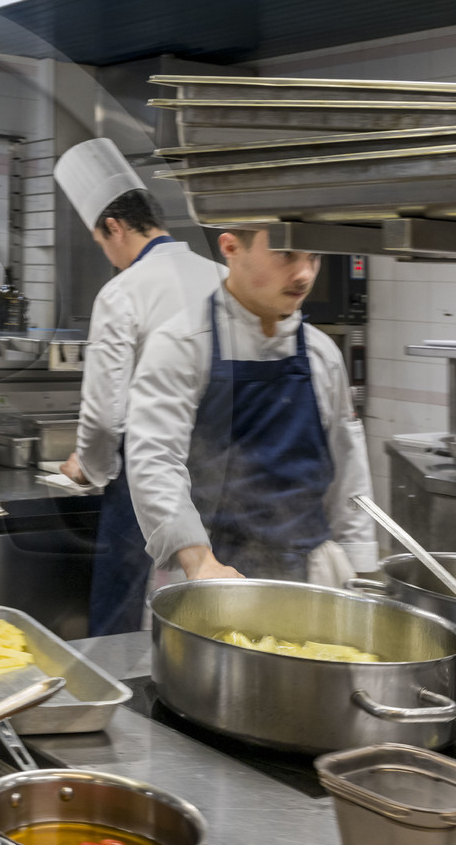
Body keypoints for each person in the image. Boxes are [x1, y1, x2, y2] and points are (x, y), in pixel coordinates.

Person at [123, 228, 376, 591]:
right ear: (230, 248)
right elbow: (155, 461)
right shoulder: (182, 345)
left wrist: (362, 568)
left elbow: (349, 472)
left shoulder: (323, 355)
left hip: (311, 575)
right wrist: (200, 561)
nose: (304, 273)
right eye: (287, 254)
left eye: (313, 257)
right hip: (213, 572)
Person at [51, 140, 225, 634]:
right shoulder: (221, 277)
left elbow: (106, 413)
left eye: (102, 242)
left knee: (120, 613)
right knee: (205, 609)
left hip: (145, 471)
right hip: (219, 467)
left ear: (114, 227)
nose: (107, 255)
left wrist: (91, 466)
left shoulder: (123, 291)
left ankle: (118, 705)